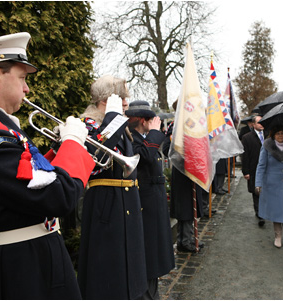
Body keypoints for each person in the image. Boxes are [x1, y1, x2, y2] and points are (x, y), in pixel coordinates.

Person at [0, 32, 95, 299]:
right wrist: (73, 144)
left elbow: (28, 180)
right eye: (22, 78)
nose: (27, 89)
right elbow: (59, 196)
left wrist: (58, 149)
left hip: (18, 258)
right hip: (24, 267)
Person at [77, 75, 148, 299]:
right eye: (123, 97)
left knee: (130, 266)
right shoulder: (88, 124)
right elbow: (94, 159)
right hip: (105, 206)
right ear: (108, 99)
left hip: (125, 202)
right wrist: (113, 118)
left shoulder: (118, 122)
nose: (127, 102)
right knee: (108, 271)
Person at [125, 100, 175, 299]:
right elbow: (144, 155)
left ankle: (152, 293)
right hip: (145, 203)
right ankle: (146, 294)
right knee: (149, 253)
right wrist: (156, 132)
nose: (155, 122)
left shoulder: (141, 137)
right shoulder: (132, 138)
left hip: (154, 201)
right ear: (144, 121)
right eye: (151, 119)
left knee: (154, 254)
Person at [162, 101, 205, 253]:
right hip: (181, 172)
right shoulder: (174, 126)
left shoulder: (193, 124)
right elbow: (167, 149)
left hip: (193, 171)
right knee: (185, 208)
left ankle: (190, 238)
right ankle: (184, 241)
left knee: (191, 206)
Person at [255, 124, 283, 248]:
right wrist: (258, 183)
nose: (280, 136)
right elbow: (261, 165)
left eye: (282, 133)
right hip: (271, 183)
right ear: (273, 135)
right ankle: (278, 235)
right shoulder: (267, 146)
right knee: (276, 210)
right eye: (277, 133)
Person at [241, 115, 266, 226]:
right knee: (256, 192)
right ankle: (260, 214)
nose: (261, 124)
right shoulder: (247, 137)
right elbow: (244, 156)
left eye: (262, 122)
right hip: (254, 168)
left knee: (267, 191)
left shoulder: (270, 135)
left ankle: (265, 211)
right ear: (253, 124)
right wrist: (245, 171)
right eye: (259, 122)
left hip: (267, 169)